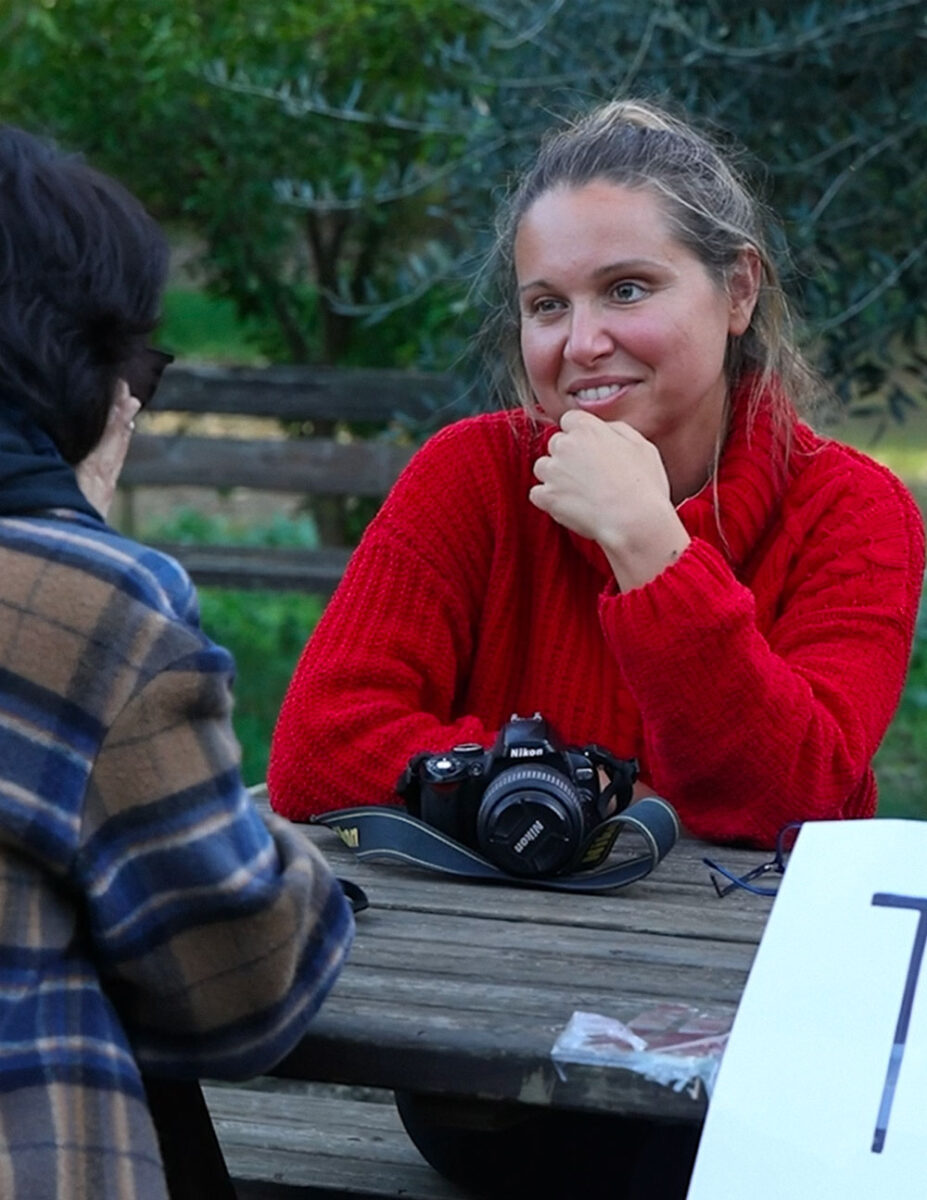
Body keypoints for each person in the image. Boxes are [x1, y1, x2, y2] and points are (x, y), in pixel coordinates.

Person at [267, 99, 924, 1196]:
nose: (580, 344)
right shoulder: (473, 476)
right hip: (487, 1066)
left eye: (627, 289)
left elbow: (795, 795)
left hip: (758, 1075)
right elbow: (320, 746)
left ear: (738, 291)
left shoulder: (852, 513)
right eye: (546, 305)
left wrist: (648, 547)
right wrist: (567, 797)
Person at [0, 126, 354, 1199]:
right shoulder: (89, 610)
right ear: (73, 371)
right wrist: (68, 533)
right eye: (135, 370)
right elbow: (240, 989)